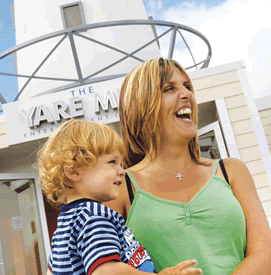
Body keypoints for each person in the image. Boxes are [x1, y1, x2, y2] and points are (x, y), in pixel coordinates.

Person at [106, 57, 271, 275]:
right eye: (169, 88)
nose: (187, 95)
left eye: (187, 86)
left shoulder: (231, 171)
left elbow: (264, 255)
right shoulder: (119, 187)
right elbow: (103, 268)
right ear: (142, 106)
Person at [37, 119, 202, 275]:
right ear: (73, 171)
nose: (122, 171)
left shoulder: (69, 221)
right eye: (112, 162)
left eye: (121, 164)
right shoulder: (93, 215)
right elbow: (106, 271)